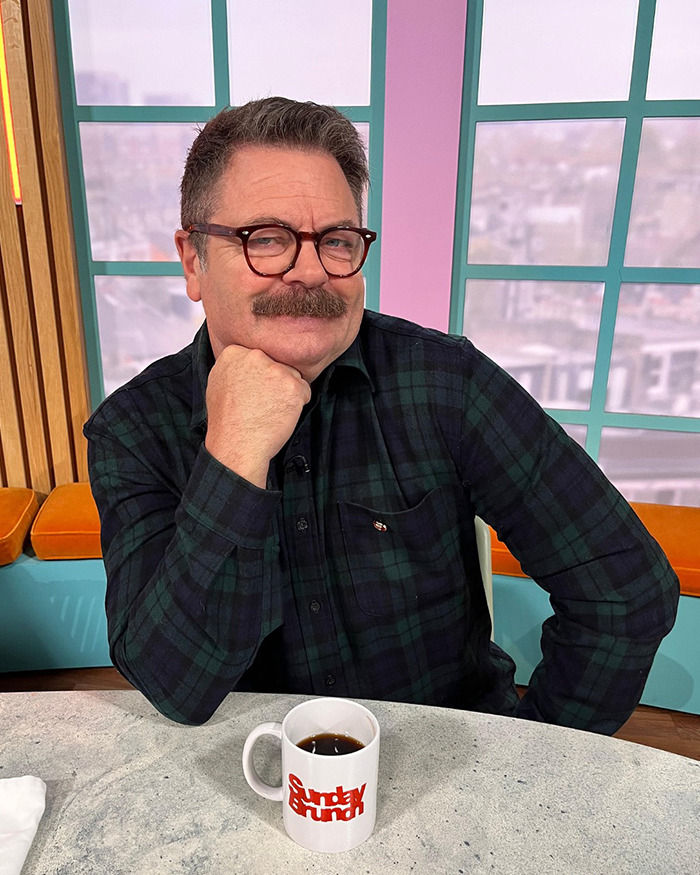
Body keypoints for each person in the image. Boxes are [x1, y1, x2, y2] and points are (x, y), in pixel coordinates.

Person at [84, 97, 679, 729]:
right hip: (246, 776)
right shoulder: (133, 429)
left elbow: (624, 589)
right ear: (193, 260)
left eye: (337, 241)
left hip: (447, 772)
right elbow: (171, 684)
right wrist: (233, 454)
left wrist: (533, 769)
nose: (311, 271)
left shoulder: (448, 383)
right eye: (267, 240)